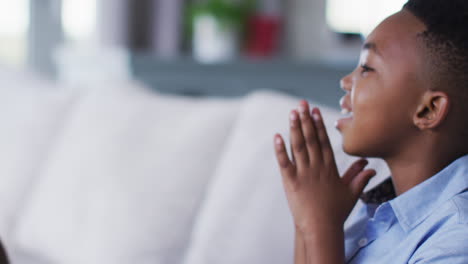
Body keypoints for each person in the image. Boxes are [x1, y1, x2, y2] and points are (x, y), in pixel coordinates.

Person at [273, 0, 468, 263]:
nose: (345, 81)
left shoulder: (456, 240)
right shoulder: (375, 212)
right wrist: (306, 222)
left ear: (428, 110)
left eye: (367, 68)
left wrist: (321, 227)